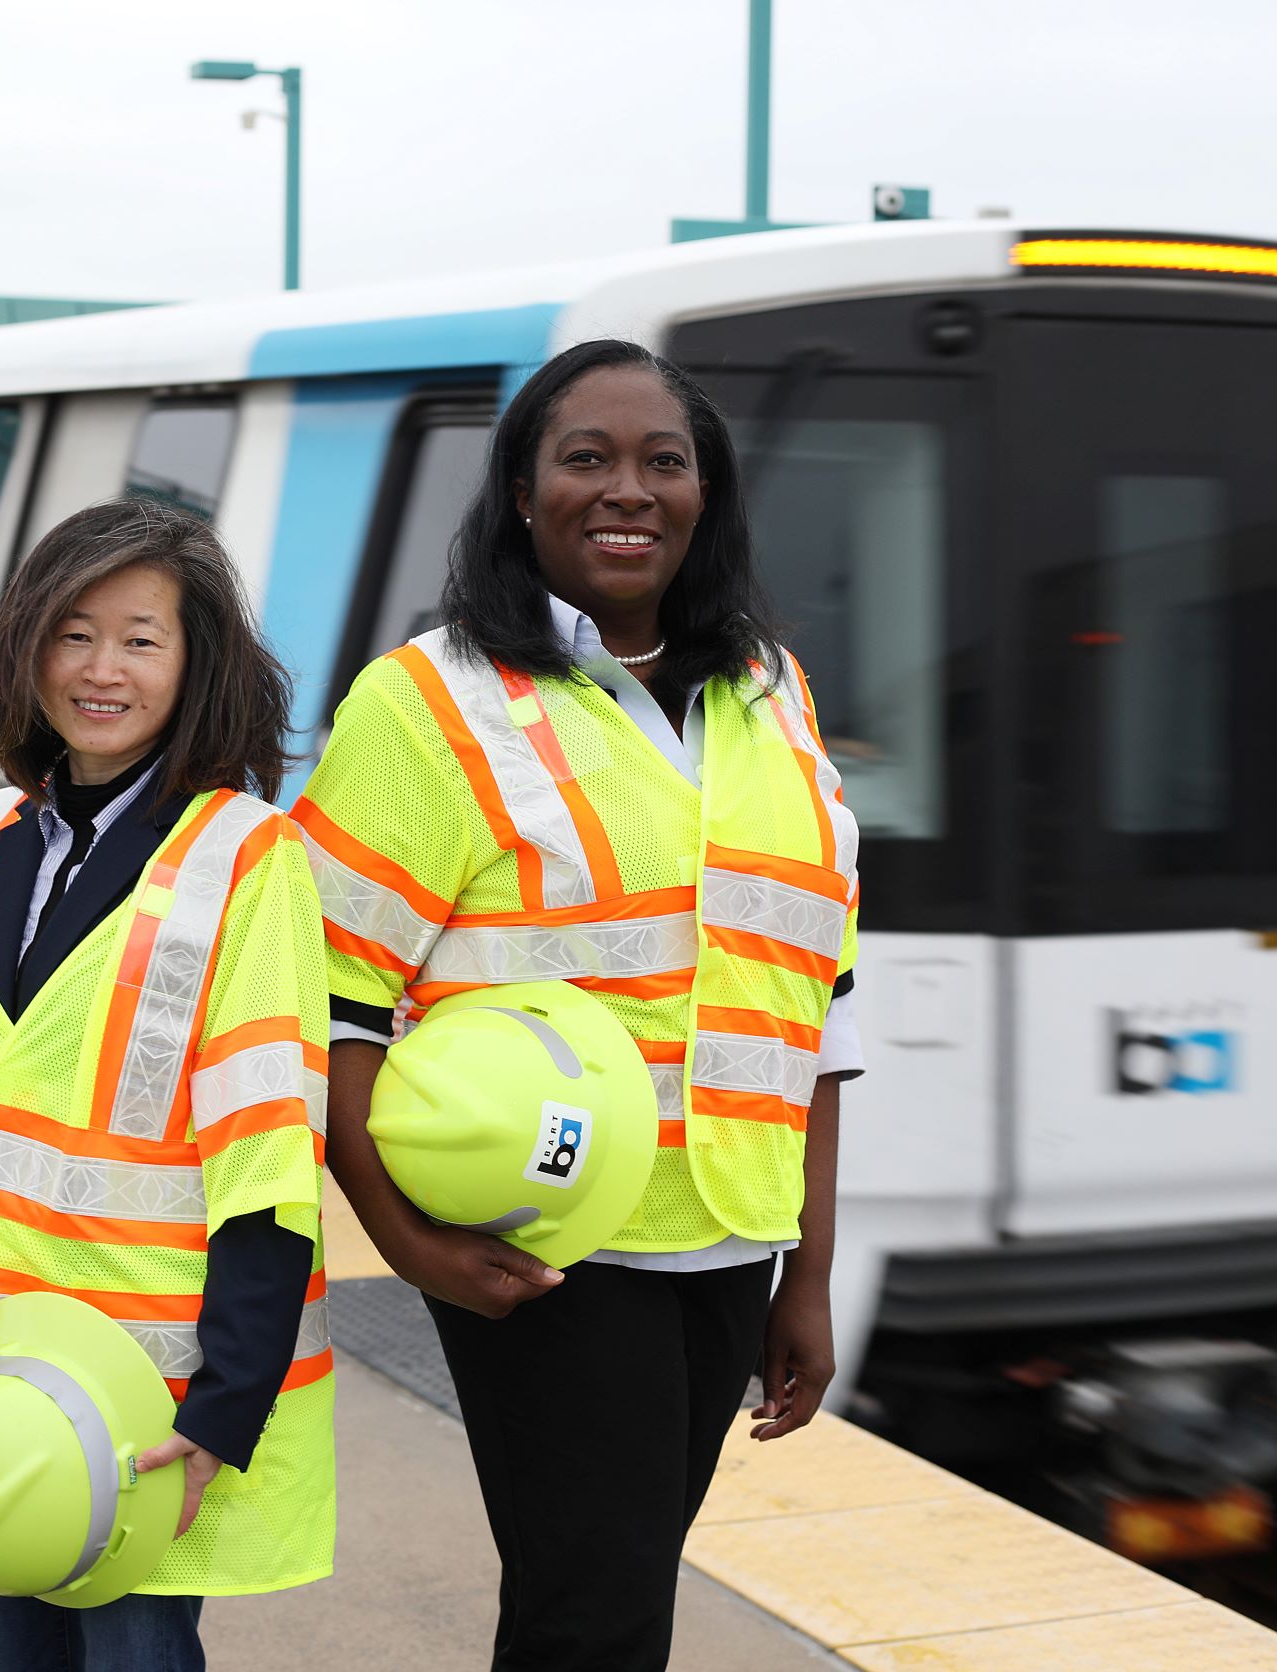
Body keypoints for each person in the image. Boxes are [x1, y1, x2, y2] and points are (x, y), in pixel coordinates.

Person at [296, 339, 862, 1671]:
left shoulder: (771, 696)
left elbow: (818, 1004)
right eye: (587, 458)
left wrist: (811, 1272)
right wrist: (408, 1242)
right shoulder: (429, 701)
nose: (630, 490)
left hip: (728, 1240)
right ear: (520, 492)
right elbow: (329, 1005)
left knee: (606, 1607)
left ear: (707, 495)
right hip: (547, 1245)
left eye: (665, 461)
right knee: (594, 1617)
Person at [0, 498, 333, 1672]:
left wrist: (226, 1406)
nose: (100, 669)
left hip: (147, 1397)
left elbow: (268, 1155)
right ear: (26, 647)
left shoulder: (244, 857)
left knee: (134, 1653)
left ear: (196, 663)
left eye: (141, 638)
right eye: (72, 633)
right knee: (10, 1650)